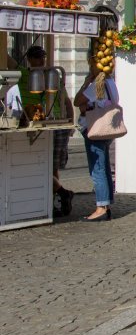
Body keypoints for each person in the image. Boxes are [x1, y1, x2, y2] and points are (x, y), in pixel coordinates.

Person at [22, 46, 75, 216]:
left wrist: (71, 123)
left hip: (56, 124)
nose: (41, 61)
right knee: (46, 166)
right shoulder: (26, 75)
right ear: (29, 59)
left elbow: (67, 100)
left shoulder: (53, 76)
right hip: (41, 122)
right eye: (38, 58)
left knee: (52, 167)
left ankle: (53, 201)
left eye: (43, 57)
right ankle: (60, 196)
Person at [73, 54, 119, 222]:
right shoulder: (111, 83)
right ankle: (106, 203)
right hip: (107, 129)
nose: (90, 68)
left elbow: (77, 101)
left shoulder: (97, 84)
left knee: (97, 168)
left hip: (95, 129)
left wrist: (86, 82)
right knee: (104, 166)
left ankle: (101, 207)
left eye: (91, 65)